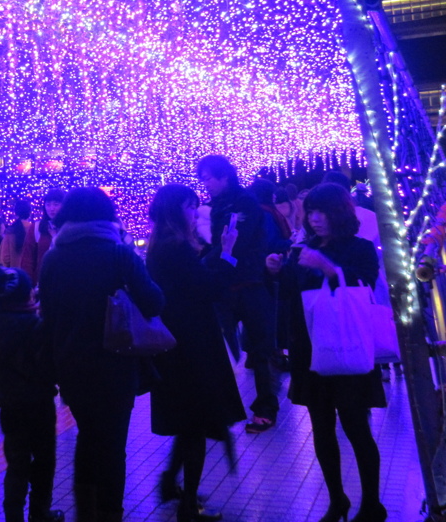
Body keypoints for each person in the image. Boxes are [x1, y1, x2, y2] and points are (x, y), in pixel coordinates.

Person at [39, 187, 164, 522]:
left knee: (88, 435)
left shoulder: (53, 257)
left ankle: (85, 510)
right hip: (114, 362)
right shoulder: (119, 253)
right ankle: (110, 513)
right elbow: (154, 302)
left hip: (70, 365)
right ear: (107, 215)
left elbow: (47, 316)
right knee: (111, 444)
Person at [266, 183, 387, 522]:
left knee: (356, 426)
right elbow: (290, 292)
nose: (315, 219)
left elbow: (365, 283)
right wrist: (276, 268)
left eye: (322, 212)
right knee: (321, 427)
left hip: (347, 344)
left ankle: (372, 504)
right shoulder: (304, 247)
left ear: (339, 212)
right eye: (311, 212)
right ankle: (337, 500)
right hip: (310, 347)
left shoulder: (360, 248)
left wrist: (328, 268)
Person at [146, 185, 245, 522]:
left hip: (176, 345)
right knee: (196, 424)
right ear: (176, 211)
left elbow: (192, 281)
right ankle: (189, 504)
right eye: (190, 207)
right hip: (193, 347)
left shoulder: (161, 246)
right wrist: (229, 252)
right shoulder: (177, 248)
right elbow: (209, 288)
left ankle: (171, 484)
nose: (194, 213)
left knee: (188, 419)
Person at [196, 155, 280, 434]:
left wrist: (203, 264)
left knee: (260, 349)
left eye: (208, 177)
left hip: (249, 284)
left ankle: (265, 409)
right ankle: (219, 408)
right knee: (220, 347)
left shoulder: (244, 204)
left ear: (224, 177)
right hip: (225, 285)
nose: (205, 183)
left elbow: (235, 244)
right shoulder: (215, 206)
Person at [0, 267, 64, 522]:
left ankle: (13, 514)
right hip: (39, 402)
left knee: (16, 462)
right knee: (44, 460)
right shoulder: (35, 324)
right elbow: (47, 366)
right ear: (25, 295)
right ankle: (40, 513)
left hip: (9, 404)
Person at [24, 188, 65, 286]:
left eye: (56, 204)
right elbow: (27, 258)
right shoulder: (36, 228)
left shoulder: (70, 228)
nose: (51, 208)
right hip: (42, 282)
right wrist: (29, 285)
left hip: (65, 281)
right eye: (48, 204)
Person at [0, 199, 34, 277]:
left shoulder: (10, 231)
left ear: (16, 213)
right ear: (29, 213)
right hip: (30, 275)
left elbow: (5, 257)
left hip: (14, 276)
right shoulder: (33, 229)